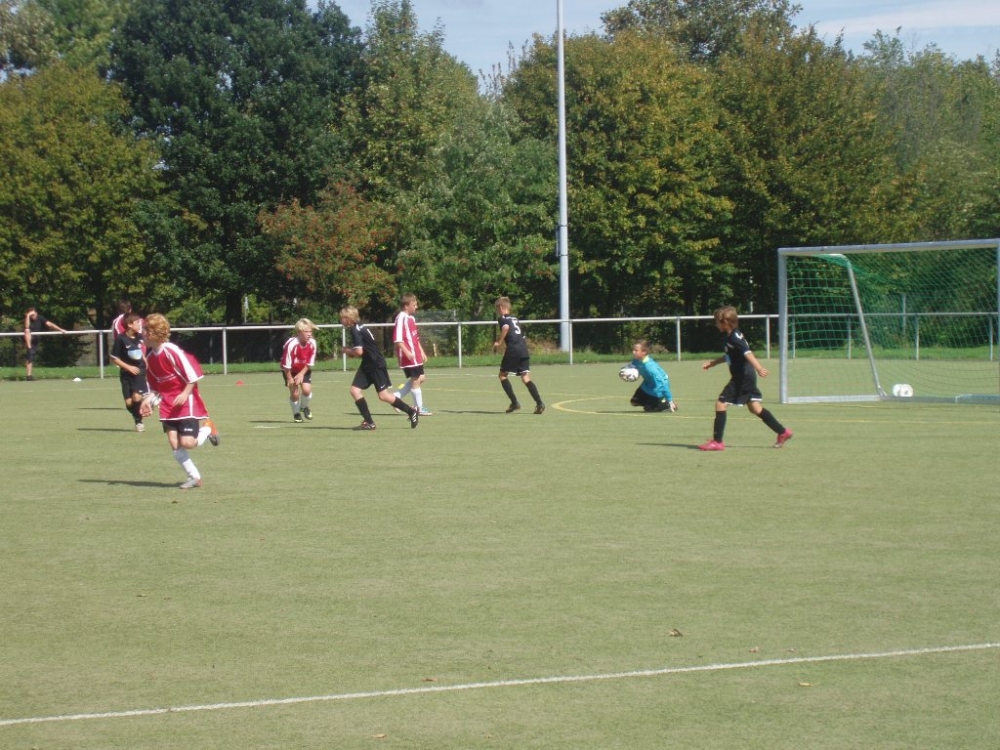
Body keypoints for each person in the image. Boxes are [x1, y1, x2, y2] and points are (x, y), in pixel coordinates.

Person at [141, 313, 220, 489]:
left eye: (145, 330)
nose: (142, 334)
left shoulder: (171, 351)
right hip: (168, 405)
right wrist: (147, 401)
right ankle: (194, 477)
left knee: (187, 443)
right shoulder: (151, 357)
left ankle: (207, 428)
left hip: (185, 402)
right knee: (174, 443)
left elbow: (192, 375)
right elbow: (155, 387)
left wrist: (184, 394)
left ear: (154, 332)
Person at [699, 305, 792, 451]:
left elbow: (747, 353)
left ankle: (717, 442)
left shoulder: (735, 338)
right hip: (747, 376)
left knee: (721, 404)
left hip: (742, 378)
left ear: (725, 322)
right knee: (755, 408)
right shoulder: (732, 336)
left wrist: (759, 367)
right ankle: (782, 432)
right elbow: (729, 355)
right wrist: (712, 363)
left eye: (717, 322)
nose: (715, 324)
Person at [339, 306, 419, 431]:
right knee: (355, 390)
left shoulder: (356, 329)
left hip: (376, 364)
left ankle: (411, 411)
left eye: (342, 318)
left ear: (348, 318)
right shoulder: (360, 326)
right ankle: (369, 422)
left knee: (383, 396)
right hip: (368, 364)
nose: (341, 321)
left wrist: (346, 350)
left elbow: (359, 351)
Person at [492, 296, 545, 414]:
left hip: (513, 350)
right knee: (526, 378)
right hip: (523, 349)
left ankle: (515, 402)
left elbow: (505, 328)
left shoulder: (502, 318)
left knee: (502, 375)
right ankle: (539, 403)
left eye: (497, 309)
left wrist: (499, 342)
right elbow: (522, 335)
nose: (497, 312)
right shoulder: (515, 319)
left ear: (501, 307)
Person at [393, 293, 432, 416]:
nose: (416, 307)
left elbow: (415, 338)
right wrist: (406, 351)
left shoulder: (411, 319)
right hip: (408, 356)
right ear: (406, 306)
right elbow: (397, 339)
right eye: (414, 305)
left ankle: (395, 398)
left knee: (421, 378)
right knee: (415, 380)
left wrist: (421, 351)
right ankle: (418, 409)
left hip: (415, 355)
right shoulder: (401, 317)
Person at [109, 312, 149, 431]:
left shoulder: (140, 336)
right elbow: (114, 358)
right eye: (137, 323)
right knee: (129, 403)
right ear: (130, 325)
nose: (140, 324)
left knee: (136, 397)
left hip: (139, 371)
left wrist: (145, 360)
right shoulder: (121, 339)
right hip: (126, 373)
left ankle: (139, 421)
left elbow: (140, 350)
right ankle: (139, 413)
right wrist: (128, 367)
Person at [281, 318, 318, 423]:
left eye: (310, 331)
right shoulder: (291, 344)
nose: (309, 334)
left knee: (306, 390)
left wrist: (301, 374)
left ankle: (304, 407)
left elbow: (310, 363)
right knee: (295, 393)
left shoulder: (312, 343)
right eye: (306, 331)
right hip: (289, 370)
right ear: (299, 332)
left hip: (303, 369)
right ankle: (296, 413)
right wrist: (289, 378)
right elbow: (286, 365)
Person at [627, 340, 677, 413]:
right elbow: (632, 366)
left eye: (636, 350)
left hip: (657, 388)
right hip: (647, 385)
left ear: (644, 352)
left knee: (649, 409)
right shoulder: (637, 360)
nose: (633, 352)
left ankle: (666, 404)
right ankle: (652, 402)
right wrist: (625, 371)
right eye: (633, 350)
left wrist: (670, 400)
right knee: (634, 402)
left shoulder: (650, 367)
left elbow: (663, 383)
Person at [23, 307, 67, 380]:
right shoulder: (27, 319)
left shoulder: (40, 318)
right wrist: (28, 316)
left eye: (33, 315)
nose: (32, 316)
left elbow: (50, 324)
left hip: (35, 339)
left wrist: (60, 329)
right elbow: (27, 326)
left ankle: (29, 375)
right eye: (31, 315)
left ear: (36, 313)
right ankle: (28, 375)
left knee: (31, 356)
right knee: (27, 331)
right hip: (28, 339)